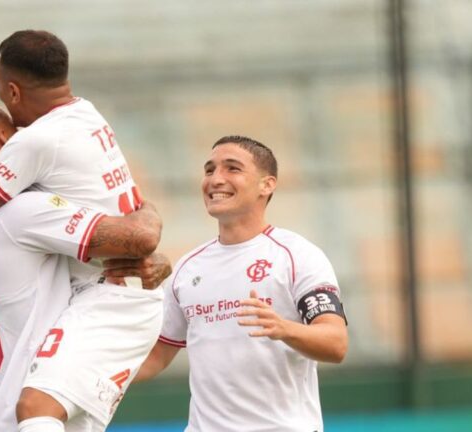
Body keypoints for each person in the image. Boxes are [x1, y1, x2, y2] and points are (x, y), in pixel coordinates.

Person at [0, 86, 170, 431]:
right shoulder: (23, 211)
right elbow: (135, 238)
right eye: (17, 134)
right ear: (5, 137)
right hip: (34, 413)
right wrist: (148, 211)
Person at [134, 136, 348, 432]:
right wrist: (91, 377)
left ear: (267, 184)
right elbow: (157, 355)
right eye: (209, 170)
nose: (215, 179)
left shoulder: (296, 256)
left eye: (232, 168)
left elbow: (336, 344)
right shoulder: (187, 268)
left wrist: (284, 328)